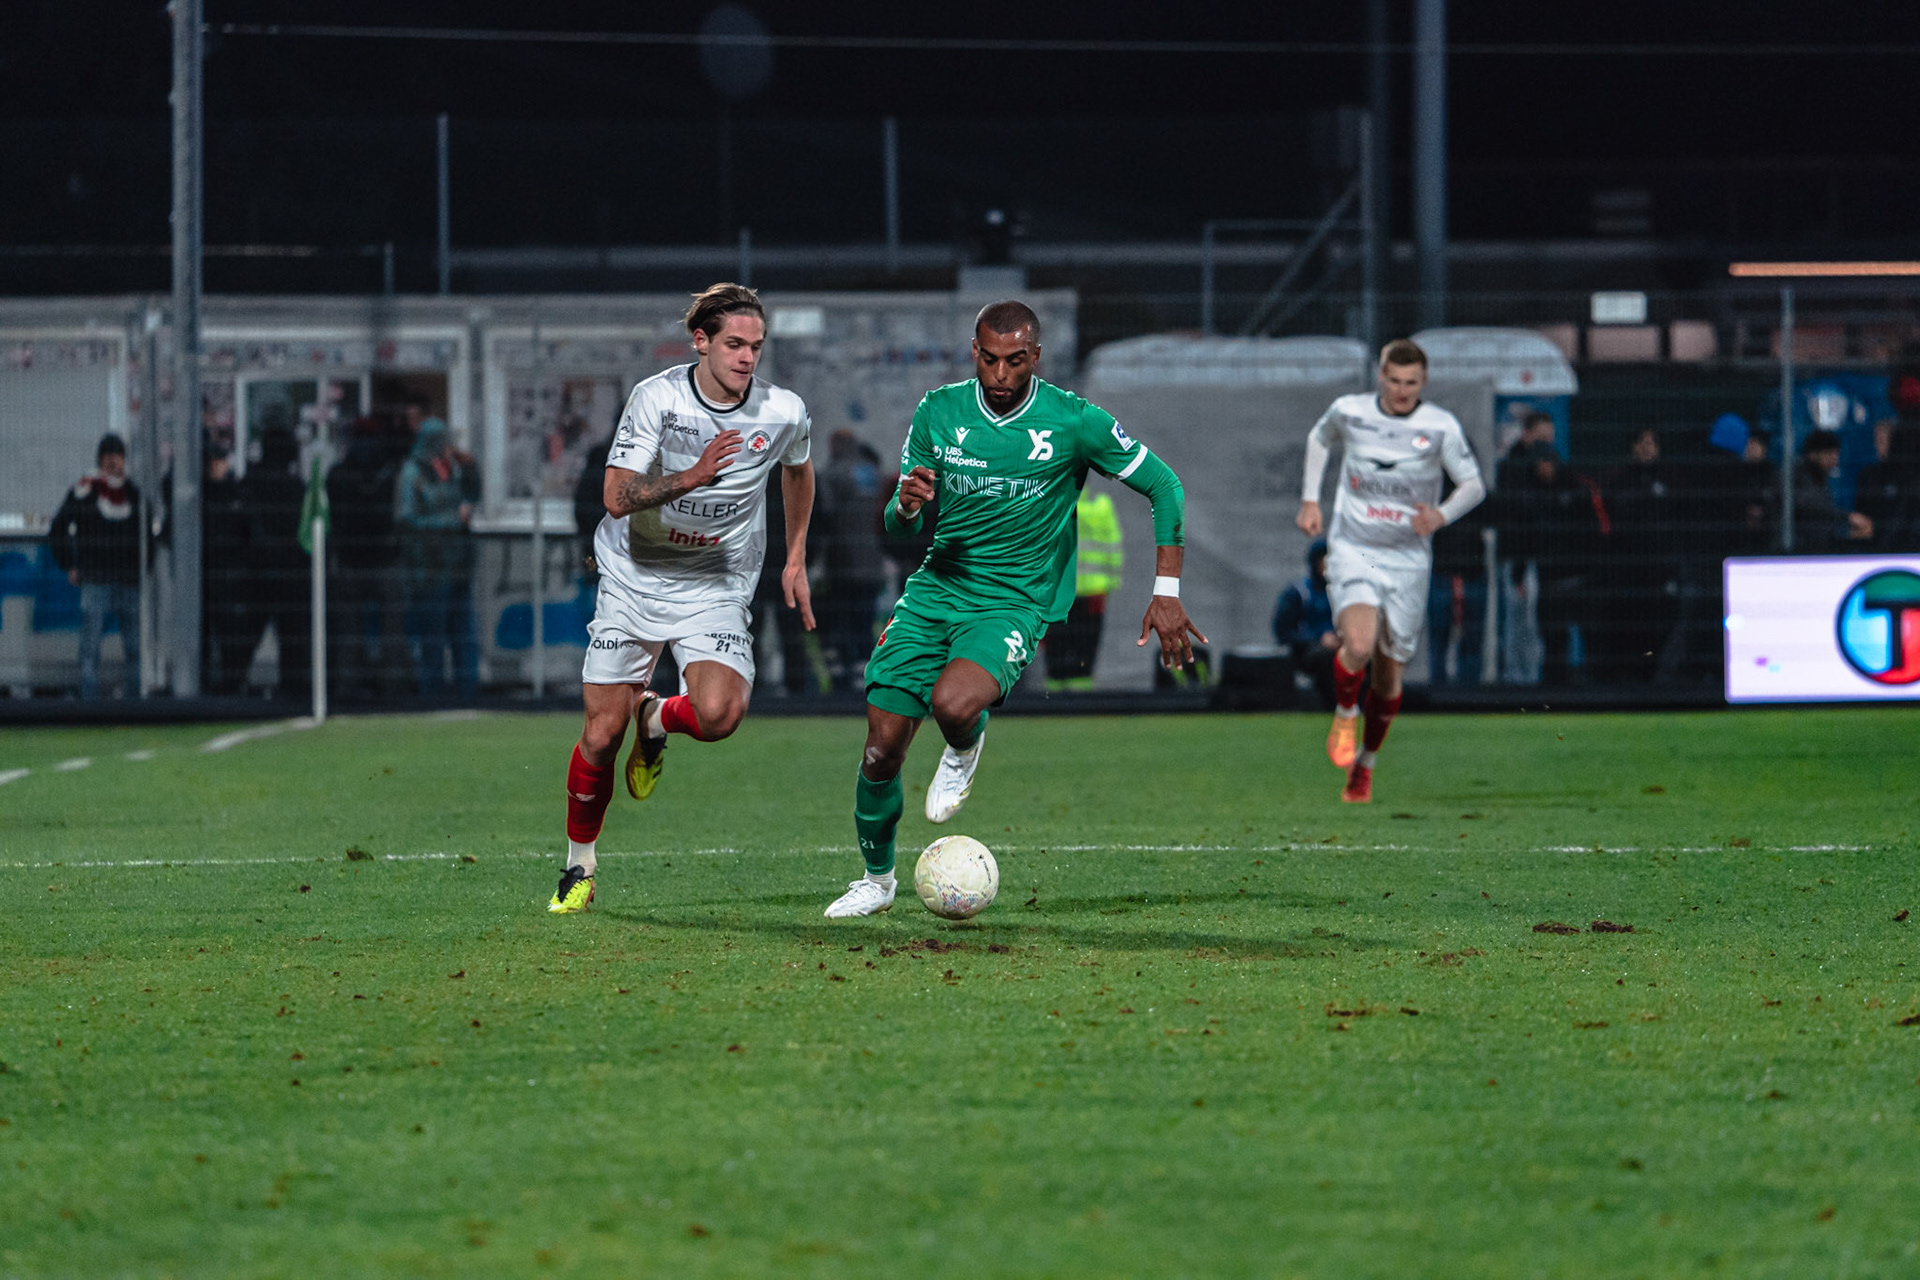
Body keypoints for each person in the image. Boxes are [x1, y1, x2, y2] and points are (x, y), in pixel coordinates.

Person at [823, 299, 1202, 918]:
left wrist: (1167, 594)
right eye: (990, 360)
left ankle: (964, 746)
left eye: (1015, 362)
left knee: (952, 702)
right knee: (880, 748)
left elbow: (1165, 485)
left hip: (1014, 599)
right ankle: (877, 880)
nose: (1000, 376)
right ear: (975, 352)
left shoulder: (1073, 421)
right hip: (936, 591)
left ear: (1036, 357)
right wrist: (908, 506)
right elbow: (896, 523)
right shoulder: (939, 412)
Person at [549, 283, 816, 914]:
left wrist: (796, 554)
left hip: (716, 580)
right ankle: (578, 868)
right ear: (701, 341)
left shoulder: (783, 411)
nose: (747, 358)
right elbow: (615, 497)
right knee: (599, 735)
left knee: (721, 715)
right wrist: (692, 476)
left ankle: (657, 717)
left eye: (756, 346)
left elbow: (798, 467)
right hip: (633, 577)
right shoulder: (658, 399)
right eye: (733, 345)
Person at [1295, 339, 1485, 804]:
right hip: (1354, 548)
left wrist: (1439, 516)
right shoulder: (1350, 411)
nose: (1402, 391)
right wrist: (1309, 499)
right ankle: (1344, 713)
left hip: (1408, 560)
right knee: (1357, 644)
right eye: (1395, 381)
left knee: (1388, 677)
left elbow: (1474, 484)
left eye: (1412, 383)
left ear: (1423, 383)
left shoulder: (1439, 426)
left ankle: (1365, 765)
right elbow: (1319, 438)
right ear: (1381, 377)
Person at [48, 432, 142, 699]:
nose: (113, 462)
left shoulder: (133, 493)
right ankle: (89, 700)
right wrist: (70, 564)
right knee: (90, 647)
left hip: (127, 580)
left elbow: (147, 532)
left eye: (118, 456)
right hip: (97, 578)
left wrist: (140, 568)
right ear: (100, 459)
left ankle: (134, 700)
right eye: (108, 456)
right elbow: (58, 528)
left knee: (134, 647)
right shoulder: (85, 490)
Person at [394, 417, 481, 697]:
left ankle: (468, 694)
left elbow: (472, 495)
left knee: (463, 636)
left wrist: (471, 468)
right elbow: (407, 520)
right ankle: (432, 695)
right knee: (433, 638)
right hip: (429, 569)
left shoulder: (451, 470)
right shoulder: (412, 474)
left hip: (457, 567)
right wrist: (451, 520)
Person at [232, 426, 312, 702]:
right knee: (291, 636)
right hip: (286, 572)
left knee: (247, 634)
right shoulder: (295, 487)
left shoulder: (251, 483)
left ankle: (233, 684)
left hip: (258, 570)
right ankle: (294, 690)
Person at [326, 416, 403, 699]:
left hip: (350, 559)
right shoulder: (391, 471)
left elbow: (332, 515)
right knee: (392, 629)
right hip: (385, 558)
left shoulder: (338, 473)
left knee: (349, 630)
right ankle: (392, 686)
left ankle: (347, 686)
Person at [1599, 427, 1684, 682]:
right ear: (1633, 446)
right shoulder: (1618, 479)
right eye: (1642, 442)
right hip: (1628, 571)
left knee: (1659, 627)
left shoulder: (1670, 480)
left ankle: (1653, 676)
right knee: (1628, 629)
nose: (1647, 447)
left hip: (1661, 571)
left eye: (1652, 442)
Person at [817, 428, 888, 691]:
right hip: (873, 561)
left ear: (834, 444)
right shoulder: (873, 472)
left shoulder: (834, 473)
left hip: (843, 561)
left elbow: (826, 514)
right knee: (865, 621)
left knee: (841, 621)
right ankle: (865, 675)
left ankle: (844, 679)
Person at [1044, 488, 1123, 691]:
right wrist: (1110, 585)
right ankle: (1083, 699)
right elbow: (1113, 550)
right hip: (1093, 593)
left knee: (1055, 654)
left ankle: (1053, 701)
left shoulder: (1048, 508)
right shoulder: (1101, 508)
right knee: (1086, 651)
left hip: (1056, 594)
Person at [1272, 539, 1337, 709]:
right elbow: (1283, 631)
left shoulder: (1346, 591)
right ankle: (1331, 706)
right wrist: (1319, 638)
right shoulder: (1300, 592)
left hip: (1344, 646)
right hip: (1308, 651)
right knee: (1325, 656)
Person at [1792, 429, 1843, 554]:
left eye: (1836, 454)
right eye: (1830, 454)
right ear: (1814, 454)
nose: (1835, 460)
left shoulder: (1821, 478)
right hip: (1799, 550)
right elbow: (1809, 506)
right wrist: (1847, 517)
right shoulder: (1795, 476)